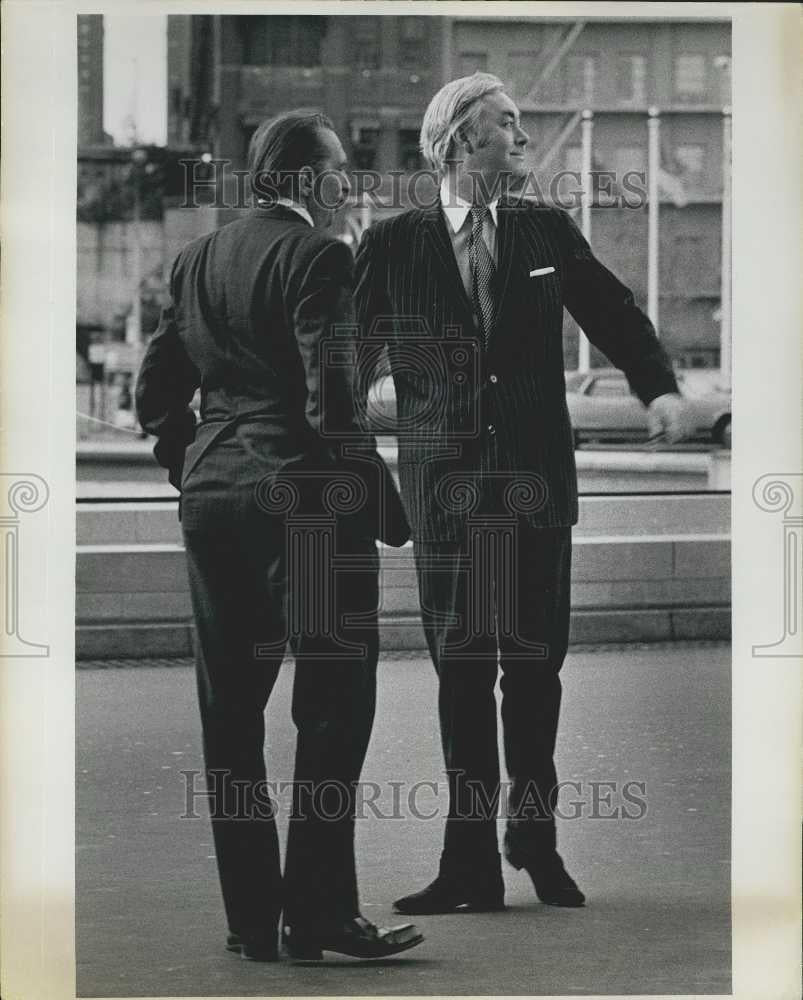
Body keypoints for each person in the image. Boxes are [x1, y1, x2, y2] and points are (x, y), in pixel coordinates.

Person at [354, 73, 694, 915]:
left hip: (534, 488)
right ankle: (466, 864)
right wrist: (363, 409)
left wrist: (659, 389)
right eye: (506, 125)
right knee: (461, 677)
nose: (522, 138)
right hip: (446, 497)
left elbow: (612, 314)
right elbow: (345, 358)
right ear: (461, 140)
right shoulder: (392, 243)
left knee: (536, 673)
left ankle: (534, 843)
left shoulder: (544, 227)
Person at [135, 110, 423, 963]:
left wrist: (201, 468)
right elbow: (330, 397)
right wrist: (368, 494)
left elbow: (156, 394)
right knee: (332, 711)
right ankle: (323, 917)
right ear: (305, 181)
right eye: (340, 171)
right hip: (306, 505)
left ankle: (253, 920)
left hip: (216, 502)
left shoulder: (197, 261)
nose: (351, 186)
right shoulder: (317, 257)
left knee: (230, 716)